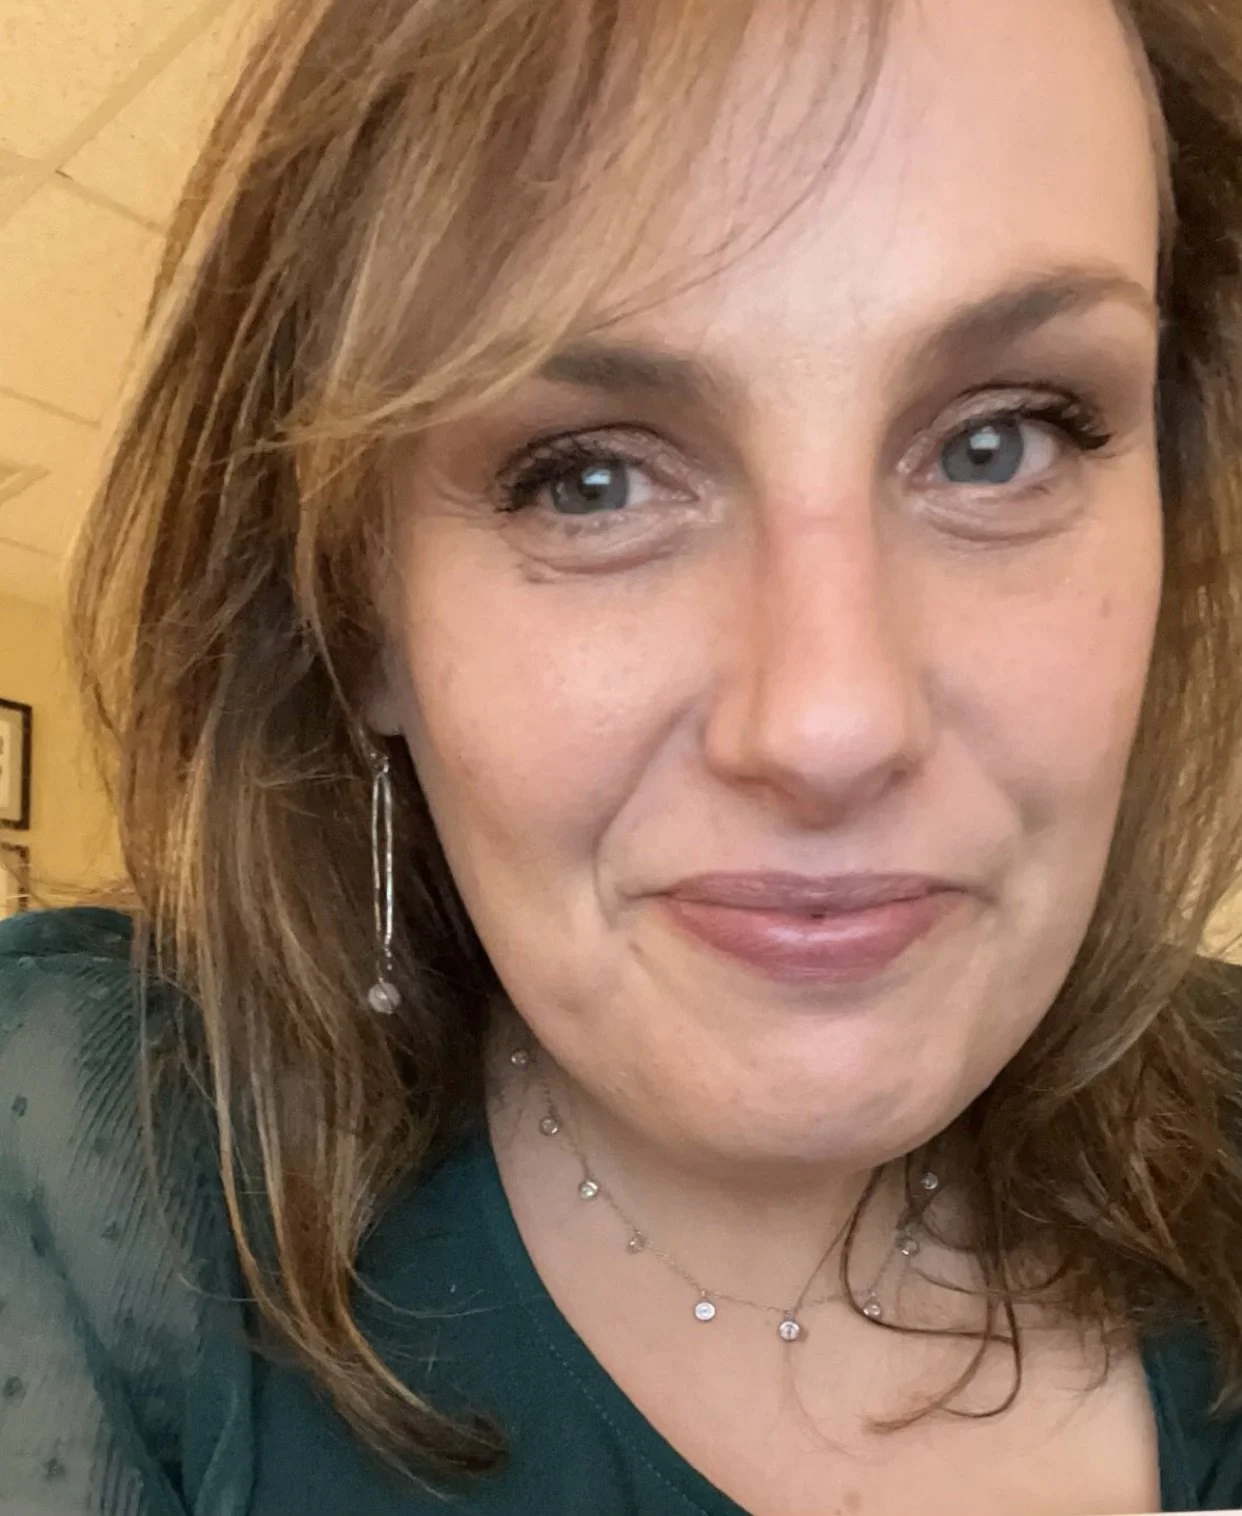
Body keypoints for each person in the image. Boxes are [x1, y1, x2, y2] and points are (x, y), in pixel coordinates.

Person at [3, 0, 1242, 1510]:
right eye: (587, 480)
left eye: (1001, 440)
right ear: (361, 615)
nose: (830, 722)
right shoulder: (79, 1183)